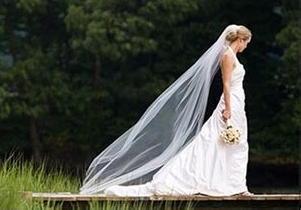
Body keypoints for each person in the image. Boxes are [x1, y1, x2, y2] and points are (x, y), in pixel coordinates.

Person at [80, 25, 254, 196]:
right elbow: (226, 83)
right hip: (230, 103)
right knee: (213, 141)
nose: (246, 47)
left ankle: (235, 184)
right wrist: (228, 108)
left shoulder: (232, 56)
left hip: (238, 102)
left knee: (236, 143)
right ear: (240, 39)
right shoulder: (227, 56)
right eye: (246, 43)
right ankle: (211, 181)